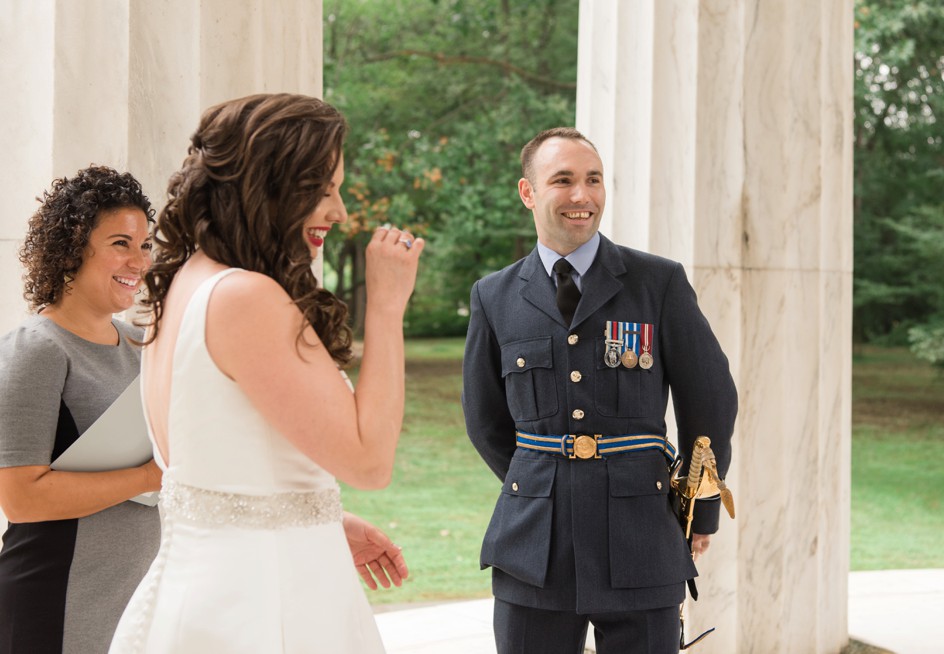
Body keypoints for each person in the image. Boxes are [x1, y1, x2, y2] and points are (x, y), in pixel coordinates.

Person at [110, 93, 423, 653]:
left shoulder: (188, 281)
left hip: (213, 590)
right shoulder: (244, 297)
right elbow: (371, 461)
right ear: (272, 185)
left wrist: (322, 518)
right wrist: (389, 305)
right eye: (323, 188)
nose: (340, 211)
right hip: (263, 610)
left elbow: (219, 468)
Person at [462, 127, 738, 654]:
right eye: (562, 180)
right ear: (528, 193)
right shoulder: (494, 296)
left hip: (641, 536)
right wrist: (543, 484)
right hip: (532, 549)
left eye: (593, 180)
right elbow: (485, 420)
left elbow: (711, 400)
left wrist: (698, 511)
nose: (581, 196)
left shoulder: (657, 282)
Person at [0, 165, 163, 654]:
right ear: (72, 247)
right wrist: (147, 478)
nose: (138, 261)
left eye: (146, 245)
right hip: (54, 603)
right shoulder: (35, 349)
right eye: (120, 243)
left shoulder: (144, 345)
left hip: (133, 601)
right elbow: (20, 499)